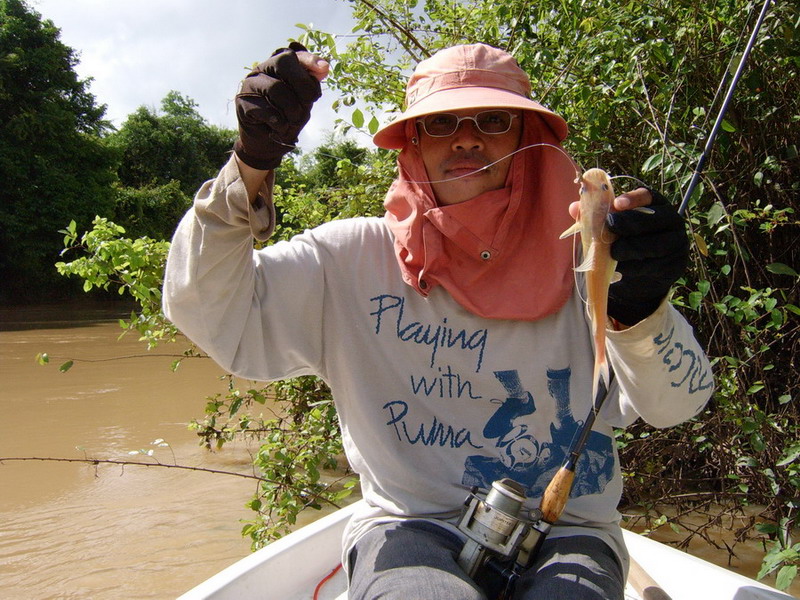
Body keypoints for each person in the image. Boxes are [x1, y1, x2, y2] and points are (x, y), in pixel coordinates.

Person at [163, 42, 714, 599]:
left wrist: (641, 309)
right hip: (407, 525)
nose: (467, 138)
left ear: (527, 140)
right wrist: (251, 163)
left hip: (570, 532)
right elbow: (209, 310)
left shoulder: (592, 257)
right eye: (440, 122)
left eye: (494, 120)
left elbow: (677, 406)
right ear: (413, 145)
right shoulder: (348, 258)